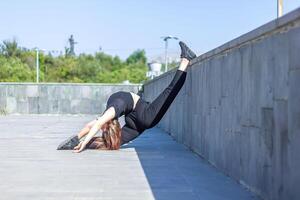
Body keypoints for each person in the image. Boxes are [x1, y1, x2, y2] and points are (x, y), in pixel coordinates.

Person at [57, 41, 196, 152]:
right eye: (103, 128)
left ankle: (186, 59)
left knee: (112, 143)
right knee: (169, 91)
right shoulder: (112, 111)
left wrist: (81, 141)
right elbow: (93, 125)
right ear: (110, 122)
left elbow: (93, 125)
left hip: (136, 121)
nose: (100, 124)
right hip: (145, 117)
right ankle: (185, 60)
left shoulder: (112, 111)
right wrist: (77, 139)